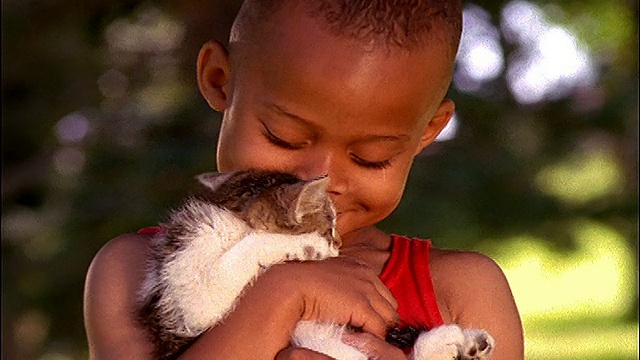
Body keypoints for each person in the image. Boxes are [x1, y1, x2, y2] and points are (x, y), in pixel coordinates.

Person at [83, 0, 525, 359]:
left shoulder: (462, 290)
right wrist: (284, 296)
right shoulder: (135, 270)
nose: (318, 180)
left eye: (370, 158)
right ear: (220, 81)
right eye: (284, 138)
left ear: (427, 132)